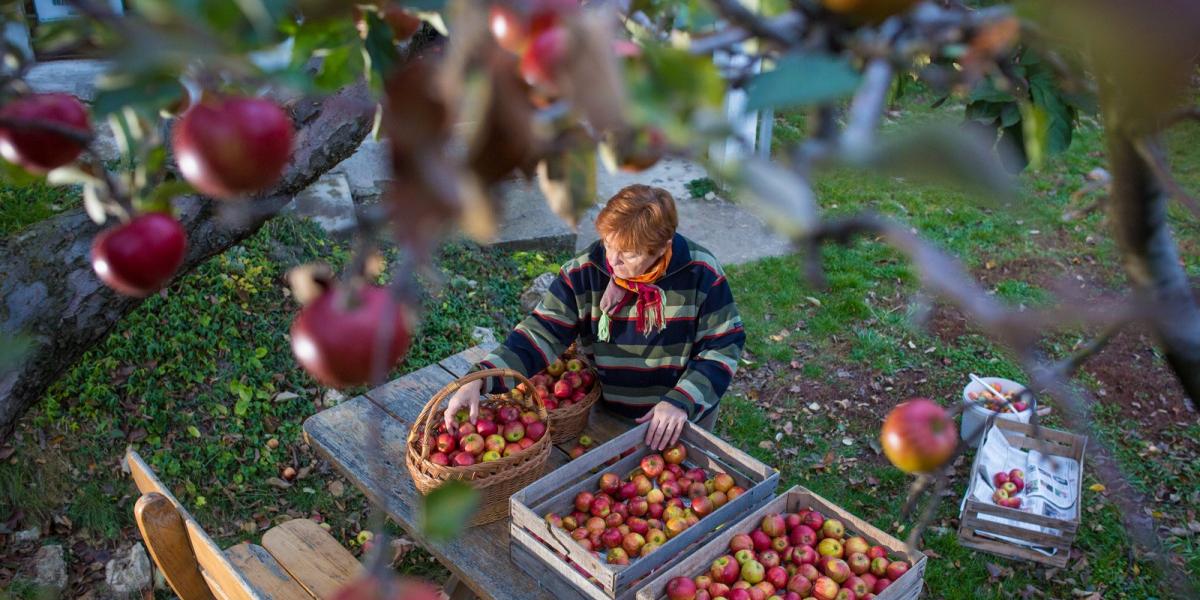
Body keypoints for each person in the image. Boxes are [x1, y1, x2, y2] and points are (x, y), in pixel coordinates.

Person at [444, 184, 745, 450]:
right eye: (608, 244)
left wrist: (683, 400)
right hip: (609, 412)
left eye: (628, 253)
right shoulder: (586, 271)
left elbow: (723, 344)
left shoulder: (699, 273)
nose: (612, 261)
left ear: (662, 248)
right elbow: (542, 332)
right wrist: (479, 379)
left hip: (679, 418)